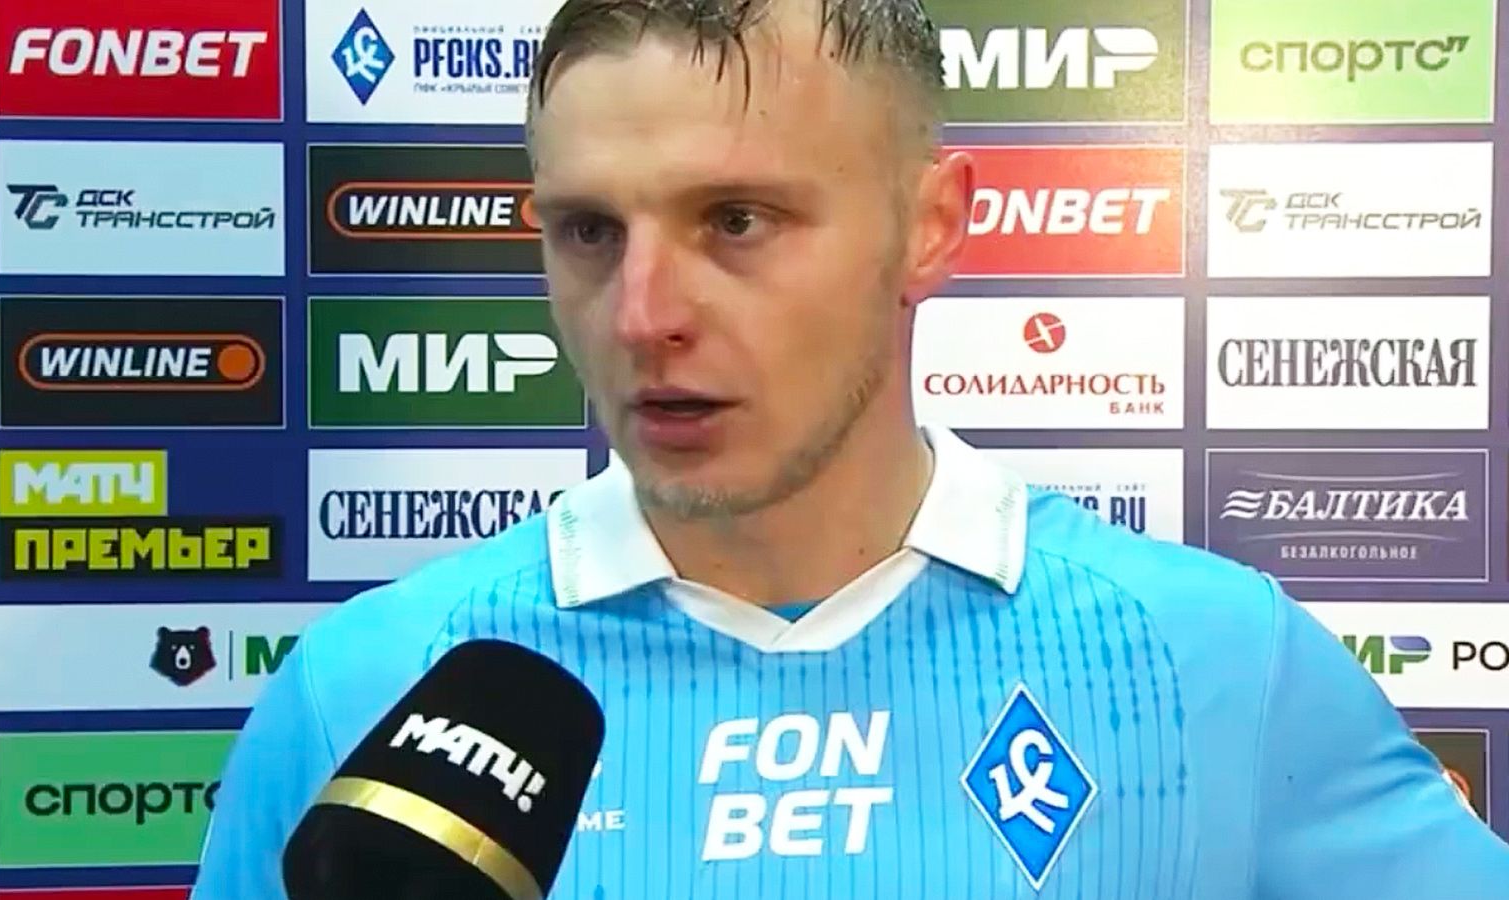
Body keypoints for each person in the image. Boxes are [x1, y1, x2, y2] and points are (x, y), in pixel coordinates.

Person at [192, 0, 1509, 896]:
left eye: (738, 220)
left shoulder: (1213, 664)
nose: (642, 316)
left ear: (931, 226)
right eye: (589, 231)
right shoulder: (368, 690)